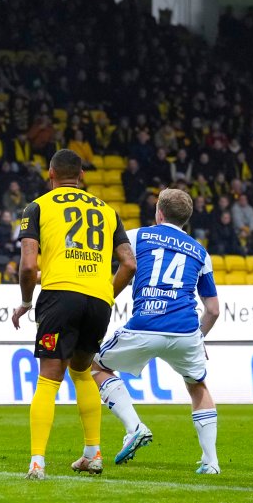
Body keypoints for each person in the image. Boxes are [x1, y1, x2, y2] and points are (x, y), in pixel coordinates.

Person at [11, 149, 137, 480]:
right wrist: (106, 294)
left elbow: (27, 264)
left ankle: (37, 461)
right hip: (98, 301)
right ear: (81, 176)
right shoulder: (108, 211)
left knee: (48, 378)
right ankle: (92, 453)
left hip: (60, 296)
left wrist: (25, 302)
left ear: (50, 175)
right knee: (82, 372)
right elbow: (129, 263)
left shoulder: (37, 207)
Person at [92, 189, 221, 474]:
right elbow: (212, 310)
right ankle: (211, 462)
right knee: (197, 385)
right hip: (186, 331)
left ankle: (134, 427)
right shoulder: (201, 252)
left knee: (96, 365)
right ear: (185, 220)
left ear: (159, 212)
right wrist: (199, 337)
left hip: (145, 324)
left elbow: (117, 263)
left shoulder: (137, 237)